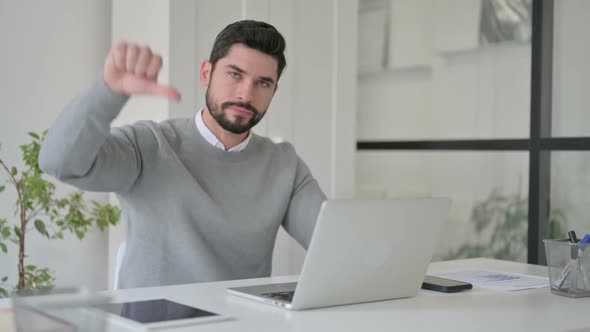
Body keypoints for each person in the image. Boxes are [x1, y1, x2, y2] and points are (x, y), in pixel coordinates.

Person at [39, 20, 327, 289]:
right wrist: (108, 92)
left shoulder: (283, 164)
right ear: (206, 73)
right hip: (153, 322)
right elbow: (58, 162)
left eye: (262, 83)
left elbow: (333, 244)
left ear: (274, 90)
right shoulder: (148, 145)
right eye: (234, 74)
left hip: (242, 322)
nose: (245, 94)